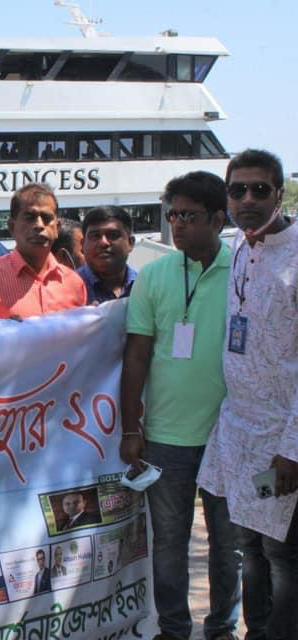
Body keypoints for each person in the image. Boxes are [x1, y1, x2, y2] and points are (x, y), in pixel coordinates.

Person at [120, 171, 240, 640]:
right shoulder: (153, 274)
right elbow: (137, 354)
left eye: (189, 215)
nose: (178, 225)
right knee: (169, 543)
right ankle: (174, 629)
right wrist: (132, 428)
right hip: (166, 436)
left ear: (218, 219)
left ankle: (222, 627)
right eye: (173, 215)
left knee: (228, 545)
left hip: (229, 434)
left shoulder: (244, 272)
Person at [197, 149, 298, 640]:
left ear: (279, 193)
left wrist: (292, 450)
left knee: (283, 555)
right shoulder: (239, 242)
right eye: (238, 190)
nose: (248, 199)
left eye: (260, 189)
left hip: (281, 445)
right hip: (239, 439)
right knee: (252, 547)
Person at [0, 184, 86, 320]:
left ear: (57, 228)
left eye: (47, 218)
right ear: (12, 227)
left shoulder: (74, 283)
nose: (39, 225)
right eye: (30, 217)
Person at [76, 206, 137, 304]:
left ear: (130, 243)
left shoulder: (146, 285)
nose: (103, 243)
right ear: (82, 245)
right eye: (95, 236)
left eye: (113, 235)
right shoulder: (68, 288)